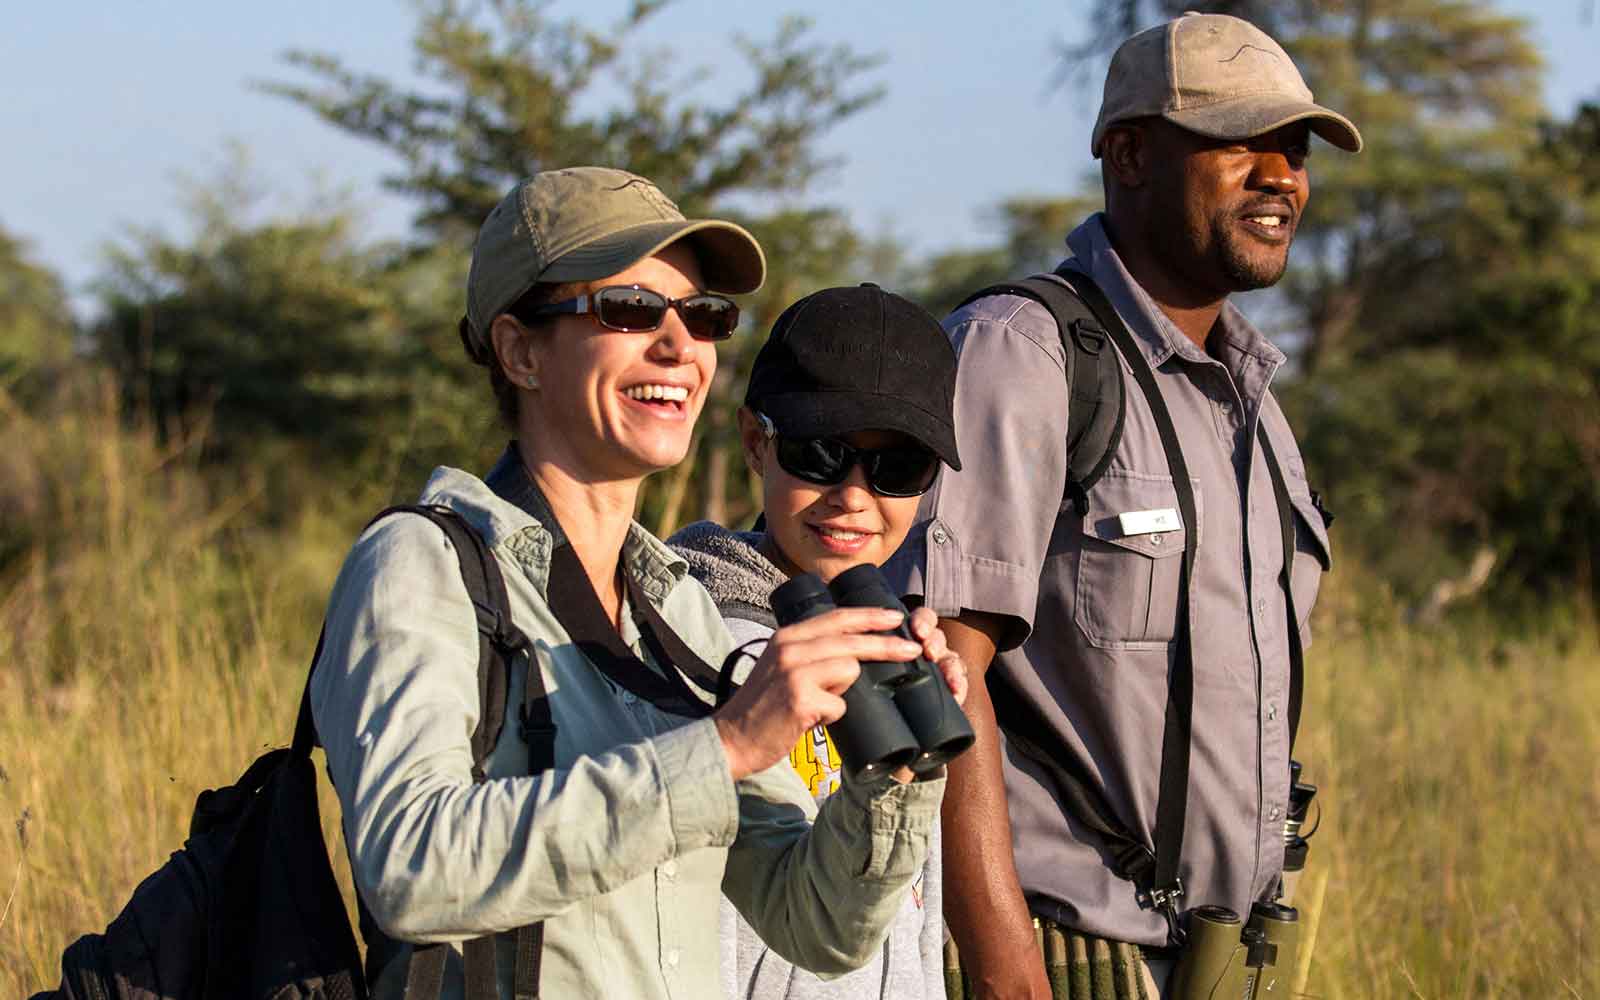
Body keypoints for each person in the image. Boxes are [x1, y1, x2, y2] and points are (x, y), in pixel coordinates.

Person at [310, 166, 962, 1000]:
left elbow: (816, 927)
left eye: (703, 317)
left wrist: (891, 774)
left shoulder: (674, 604)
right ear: (519, 351)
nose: (679, 346)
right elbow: (412, 867)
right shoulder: (424, 564)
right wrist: (725, 747)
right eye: (627, 309)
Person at [881, 14, 1359, 998]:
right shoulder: (1021, 353)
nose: (1281, 176)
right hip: (1064, 953)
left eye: (1296, 151)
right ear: (1131, 154)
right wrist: (1005, 959)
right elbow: (940, 674)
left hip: (1225, 960)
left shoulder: (1257, 407)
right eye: (1242, 141)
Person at [669, 283, 965, 1000]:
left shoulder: (899, 639)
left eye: (898, 469)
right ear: (754, 442)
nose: (855, 496)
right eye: (820, 454)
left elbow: (911, 920)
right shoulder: (688, 643)